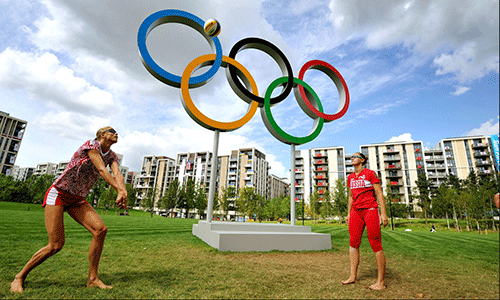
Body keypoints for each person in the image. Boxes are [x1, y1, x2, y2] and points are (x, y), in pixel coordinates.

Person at [10, 127, 127, 293]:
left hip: (77, 199)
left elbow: (118, 175)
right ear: (102, 135)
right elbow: (101, 169)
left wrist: (123, 191)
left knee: (100, 230)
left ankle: (92, 279)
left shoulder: (113, 156)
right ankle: (19, 276)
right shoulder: (91, 145)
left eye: (117, 132)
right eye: (112, 131)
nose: (116, 133)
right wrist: (119, 190)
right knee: (55, 245)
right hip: (58, 194)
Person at [341, 152, 389, 290]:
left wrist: (383, 213)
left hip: (370, 209)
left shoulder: (370, 173)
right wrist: (349, 213)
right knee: (353, 243)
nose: (352, 158)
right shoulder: (350, 177)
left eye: (355, 156)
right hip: (356, 212)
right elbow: (350, 196)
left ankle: (380, 282)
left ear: (362, 160)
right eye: (351, 157)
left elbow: (379, 192)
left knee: (376, 243)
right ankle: (352, 276)